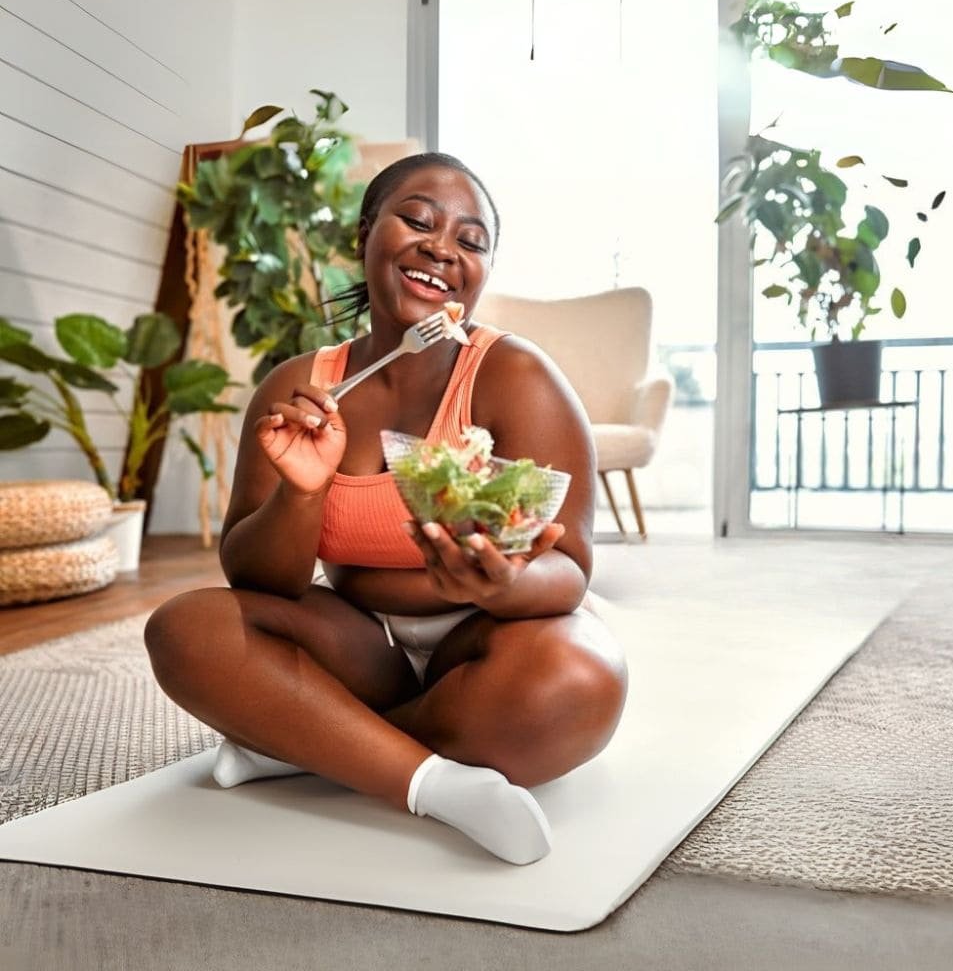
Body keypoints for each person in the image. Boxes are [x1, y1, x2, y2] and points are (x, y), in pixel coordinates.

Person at [145, 152, 628, 865]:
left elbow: (570, 572)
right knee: (186, 630)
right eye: (419, 221)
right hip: (360, 645)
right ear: (367, 231)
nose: (443, 248)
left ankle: (307, 743)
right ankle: (440, 786)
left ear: (483, 271)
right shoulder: (298, 387)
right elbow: (256, 579)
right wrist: (302, 491)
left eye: (471, 241)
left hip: (490, 637)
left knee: (580, 683)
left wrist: (502, 582)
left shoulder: (518, 376)